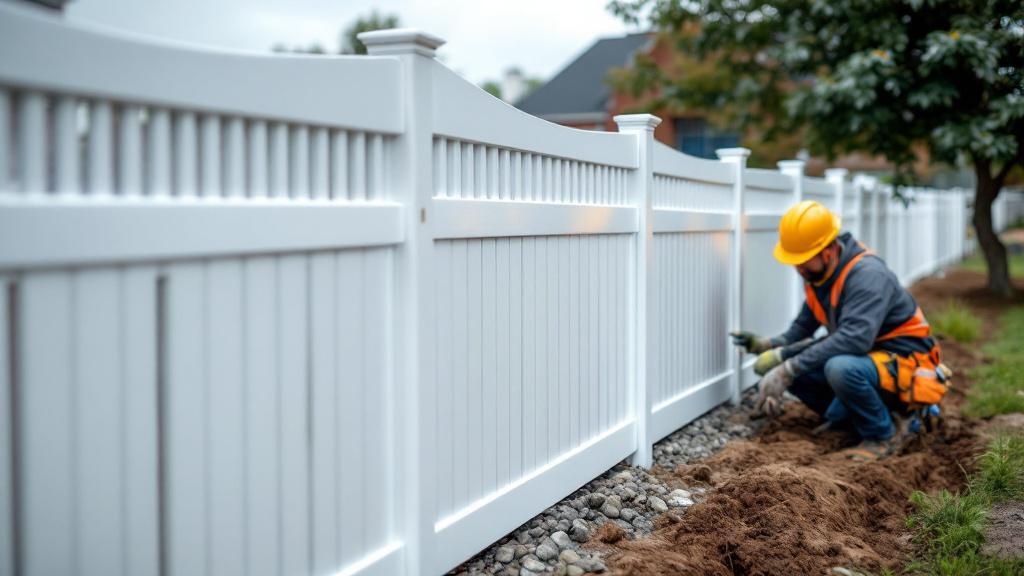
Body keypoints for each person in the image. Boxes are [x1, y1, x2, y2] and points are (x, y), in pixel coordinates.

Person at [730, 200, 948, 461]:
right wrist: (769, 346)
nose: (798, 268)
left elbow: (854, 340)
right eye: (795, 261)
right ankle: (850, 421)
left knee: (840, 367)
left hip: (905, 363)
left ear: (829, 250)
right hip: (871, 360)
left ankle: (884, 433)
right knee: (804, 364)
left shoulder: (867, 276)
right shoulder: (818, 276)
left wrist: (786, 370)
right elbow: (802, 328)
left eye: (804, 260)